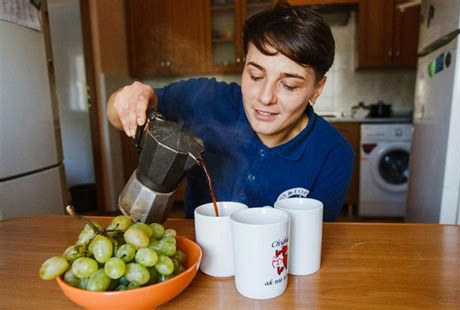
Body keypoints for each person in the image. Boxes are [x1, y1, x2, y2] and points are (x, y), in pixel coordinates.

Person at [107, 2, 354, 221]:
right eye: (256, 75)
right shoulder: (205, 99)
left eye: (289, 85)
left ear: (317, 89)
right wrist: (125, 99)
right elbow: (115, 115)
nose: (265, 97)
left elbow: (311, 242)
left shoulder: (333, 154)